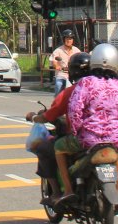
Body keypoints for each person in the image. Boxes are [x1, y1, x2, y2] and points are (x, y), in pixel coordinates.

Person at [52, 42, 118, 210]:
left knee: (58, 147)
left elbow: (75, 111)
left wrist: (76, 131)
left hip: (87, 140)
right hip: (114, 140)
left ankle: (68, 190)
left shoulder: (86, 84)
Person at [26, 52, 90, 205]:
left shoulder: (72, 91)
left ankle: (59, 192)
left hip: (81, 138)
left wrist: (34, 117)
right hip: (108, 137)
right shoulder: (107, 89)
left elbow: (50, 115)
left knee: (45, 149)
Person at [50, 30, 81, 96]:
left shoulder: (76, 50)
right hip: (62, 75)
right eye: (67, 38)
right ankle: (57, 102)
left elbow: (81, 59)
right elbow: (54, 61)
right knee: (59, 85)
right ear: (63, 39)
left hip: (74, 75)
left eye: (70, 39)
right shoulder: (58, 50)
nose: (69, 40)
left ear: (73, 40)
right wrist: (57, 66)